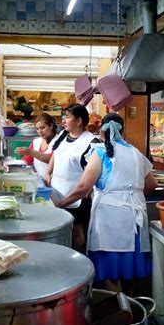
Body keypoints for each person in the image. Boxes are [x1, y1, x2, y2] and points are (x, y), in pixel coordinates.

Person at [53, 113, 157, 293]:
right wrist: (133, 194)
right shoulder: (135, 152)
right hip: (134, 217)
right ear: (123, 131)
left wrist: (61, 204)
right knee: (129, 268)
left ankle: (120, 309)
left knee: (107, 268)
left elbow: (84, 187)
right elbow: (152, 185)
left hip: (110, 217)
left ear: (102, 131)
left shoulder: (100, 151)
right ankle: (130, 305)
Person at [44, 104, 94, 252]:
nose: (63, 121)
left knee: (76, 230)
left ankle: (78, 258)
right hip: (56, 191)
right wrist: (48, 173)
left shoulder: (91, 142)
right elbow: (55, 154)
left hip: (78, 194)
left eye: (67, 117)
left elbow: (91, 172)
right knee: (58, 228)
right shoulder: (62, 136)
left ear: (78, 121)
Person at [16, 113, 58, 181]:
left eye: (42, 128)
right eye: (37, 129)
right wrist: (17, 165)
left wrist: (31, 152)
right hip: (40, 181)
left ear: (51, 126)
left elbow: (51, 159)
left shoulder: (59, 141)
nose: (40, 131)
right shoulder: (36, 142)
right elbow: (28, 158)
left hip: (54, 181)